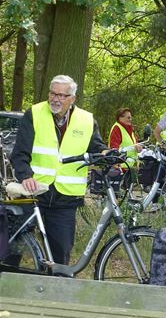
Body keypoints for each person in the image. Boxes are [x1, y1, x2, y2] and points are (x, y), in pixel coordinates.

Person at [10, 74, 108, 265]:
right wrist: (25, 176)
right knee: (14, 246)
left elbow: (96, 147)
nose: (56, 99)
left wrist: (106, 153)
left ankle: (55, 288)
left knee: (60, 253)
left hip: (65, 198)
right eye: (53, 93)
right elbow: (20, 153)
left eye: (62, 96)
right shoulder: (35, 113)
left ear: (72, 99)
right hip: (34, 192)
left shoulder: (86, 120)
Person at [108, 108, 142, 187]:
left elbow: (134, 144)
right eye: (128, 117)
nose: (130, 119)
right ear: (120, 118)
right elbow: (113, 148)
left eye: (131, 117)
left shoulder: (129, 129)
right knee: (119, 194)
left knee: (126, 194)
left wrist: (139, 148)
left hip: (130, 167)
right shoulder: (117, 128)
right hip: (121, 167)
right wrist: (115, 164)